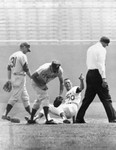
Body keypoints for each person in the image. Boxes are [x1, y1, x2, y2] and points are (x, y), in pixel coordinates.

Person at [76, 36, 116, 123]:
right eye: (106, 44)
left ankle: (79, 118)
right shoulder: (102, 49)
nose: (106, 46)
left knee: (88, 98)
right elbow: (101, 64)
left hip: (89, 73)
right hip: (97, 74)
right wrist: (104, 78)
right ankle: (113, 118)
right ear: (104, 43)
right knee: (106, 98)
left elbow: (88, 62)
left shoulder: (90, 48)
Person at [2, 42, 32, 121]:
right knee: (15, 97)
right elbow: (26, 68)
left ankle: (32, 115)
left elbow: (8, 68)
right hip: (20, 77)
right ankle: (5, 114)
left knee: (25, 97)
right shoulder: (22, 55)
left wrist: (9, 79)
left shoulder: (12, 55)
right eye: (27, 49)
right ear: (23, 47)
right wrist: (31, 77)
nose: (27, 51)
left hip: (14, 76)